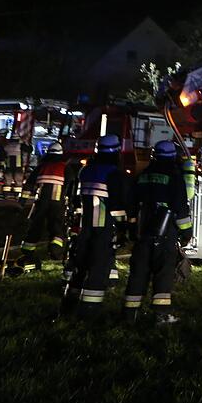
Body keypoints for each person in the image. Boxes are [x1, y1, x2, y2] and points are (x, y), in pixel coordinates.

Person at [122, 140, 193, 325]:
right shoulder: (175, 177)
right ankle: (161, 315)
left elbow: (131, 204)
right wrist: (186, 233)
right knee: (164, 273)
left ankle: (130, 314)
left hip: (143, 232)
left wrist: (132, 227)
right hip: (165, 233)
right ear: (172, 156)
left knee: (138, 272)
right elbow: (180, 208)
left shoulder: (143, 175)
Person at [62, 134, 127, 318]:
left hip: (85, 227)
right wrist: (123, 229)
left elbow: (75, 198)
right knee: (99, 267)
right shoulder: (114, 174)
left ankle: (69, 301)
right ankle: (89, 310)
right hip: (103, 228)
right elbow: (117, 207)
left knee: (80, 265)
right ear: (116, 151)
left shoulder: (85, 170)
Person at [14, 141, 69, 272]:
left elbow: (29, 185)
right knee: (56, 226)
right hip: (57, 203)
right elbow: (70, 186)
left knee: (35, 226)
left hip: (41, 202)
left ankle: (27, 252)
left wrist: (22, 202)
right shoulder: (66, 168)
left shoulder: (41, 167)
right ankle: (55, 252)